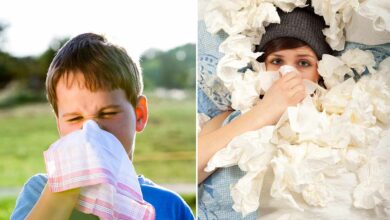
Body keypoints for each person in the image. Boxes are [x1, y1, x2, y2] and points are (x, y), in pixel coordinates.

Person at [11, 33, 194, 220]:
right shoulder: (39, 193)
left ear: (139, 115)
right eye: (75, 118)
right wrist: (63, 192)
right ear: (59, 126)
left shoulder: (169, 206)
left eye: (108, 114)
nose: (92, 132)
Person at [198, 6, 332, 219]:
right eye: (277, 61)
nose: (287, 73)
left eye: (303, 63)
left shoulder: (340, 120)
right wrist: (267, 110)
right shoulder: (232, 118)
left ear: (322, 72)